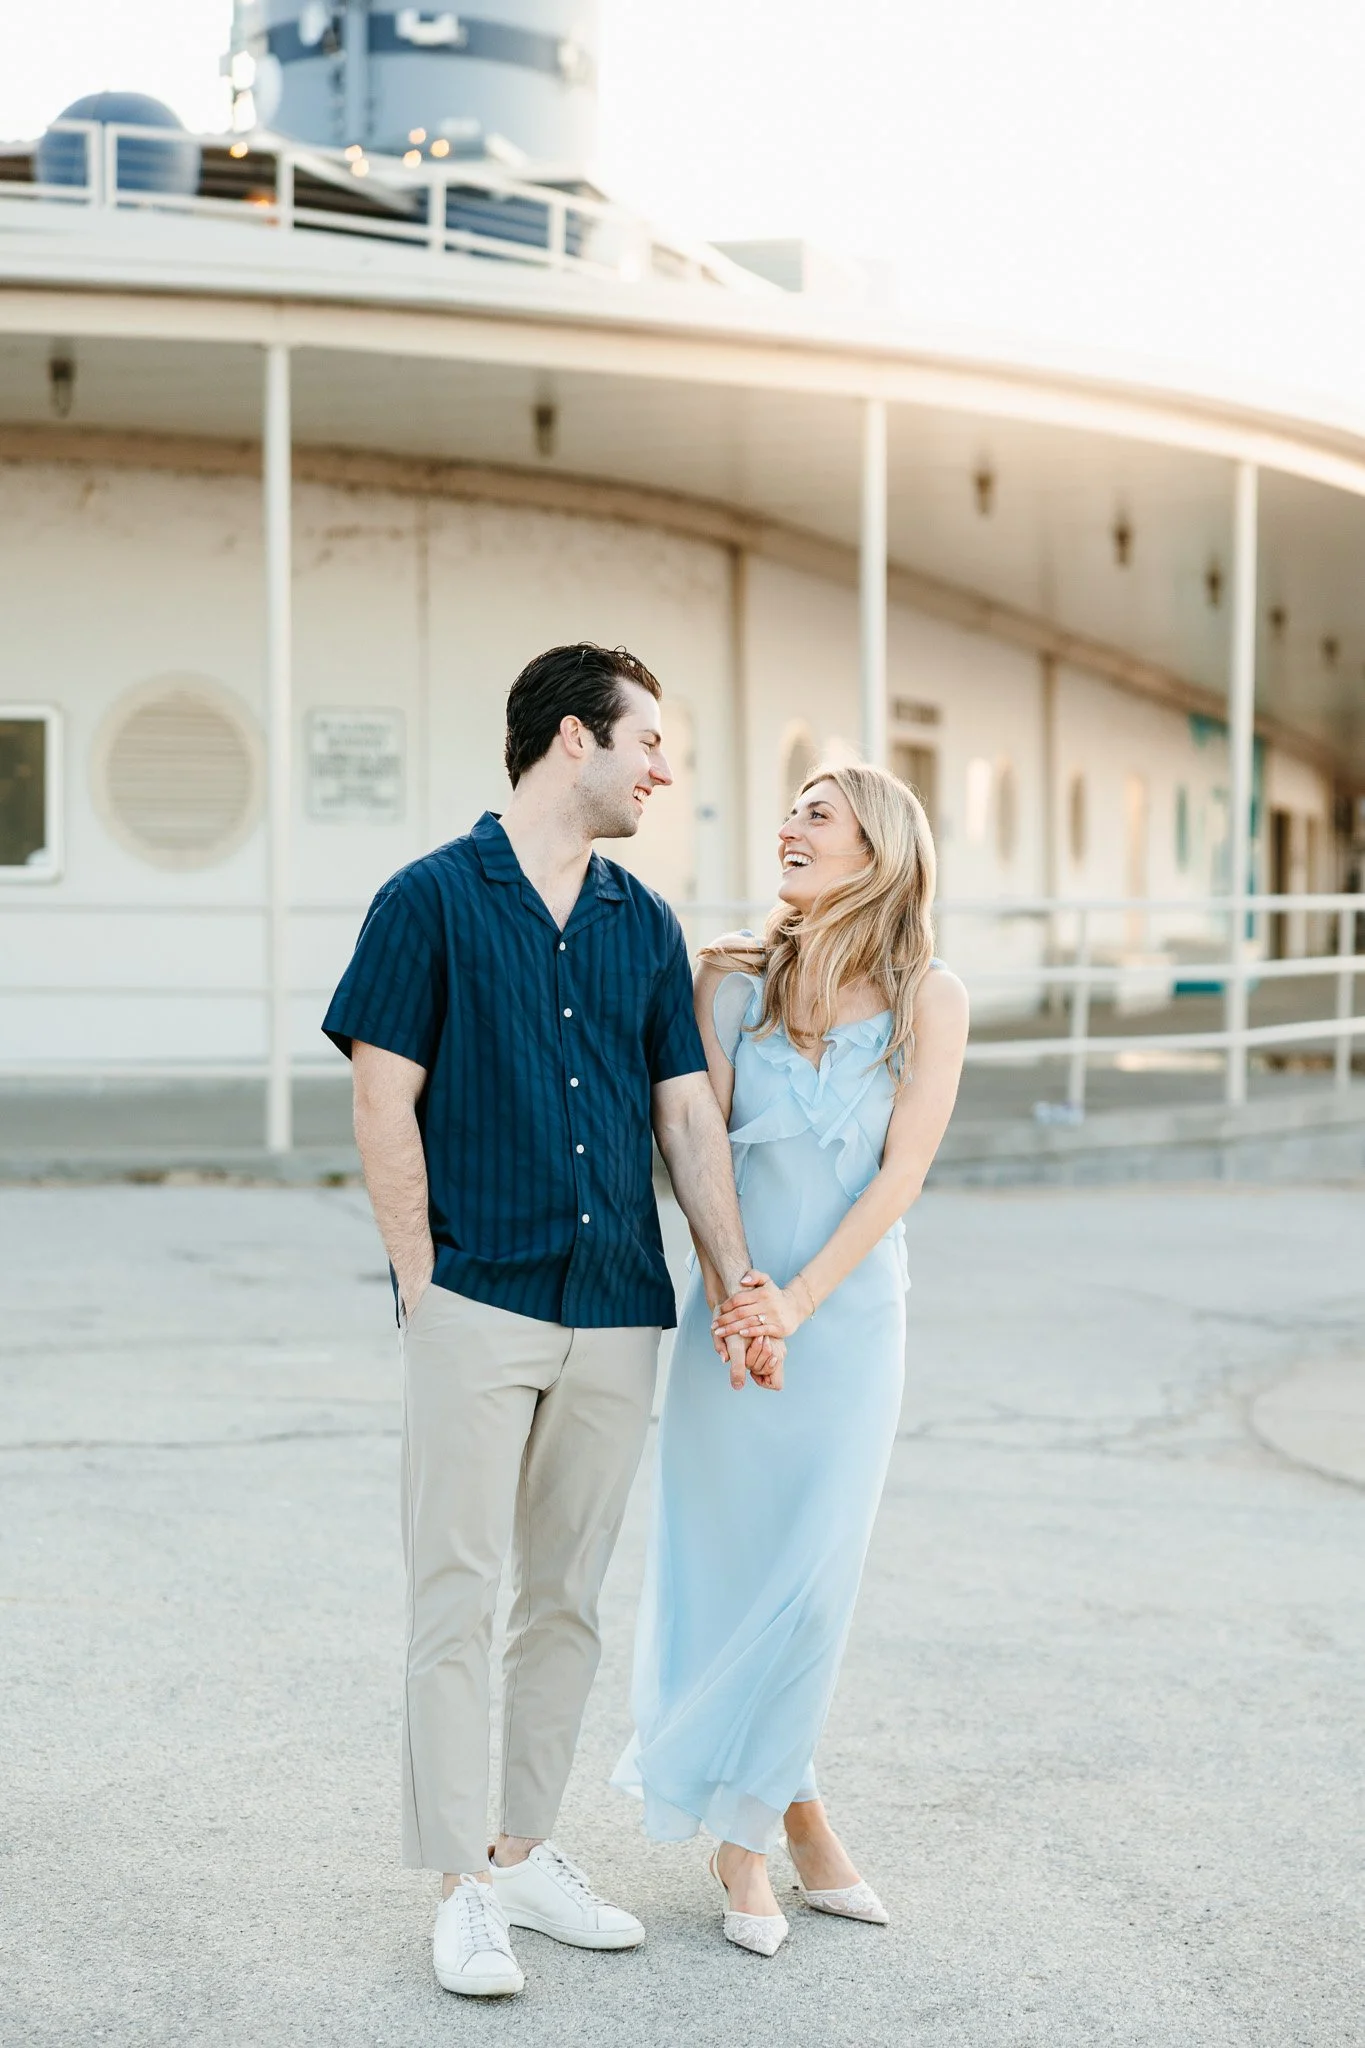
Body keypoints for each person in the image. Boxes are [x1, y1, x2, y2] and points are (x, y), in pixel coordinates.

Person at [323, 643, 771, 1999]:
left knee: (565, 1601)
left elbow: (685, 1115)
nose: (662, 770)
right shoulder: (426, 900)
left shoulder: (645, 923)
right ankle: (460, 1885)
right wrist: (421, 1285)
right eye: (649, 742)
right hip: (478, 1296)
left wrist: (734, 1278)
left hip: (617, 1305)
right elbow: (382, 1099)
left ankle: (520, 1850)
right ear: (575, 738)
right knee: (455, 1595)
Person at [613, 763, 969, 1955]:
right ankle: (776, 1828)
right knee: (731, 1572)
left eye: (819, 812)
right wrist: (736, 1303)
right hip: (732, 1321)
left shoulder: (932, 997)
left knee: (813, 1584)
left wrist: (796, 1306)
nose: (789, 828)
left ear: (881, 844)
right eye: (792, 811)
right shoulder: (729, 978)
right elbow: (696, 1146)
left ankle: (759, 1827)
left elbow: (902, 1173)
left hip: (848, 1326)